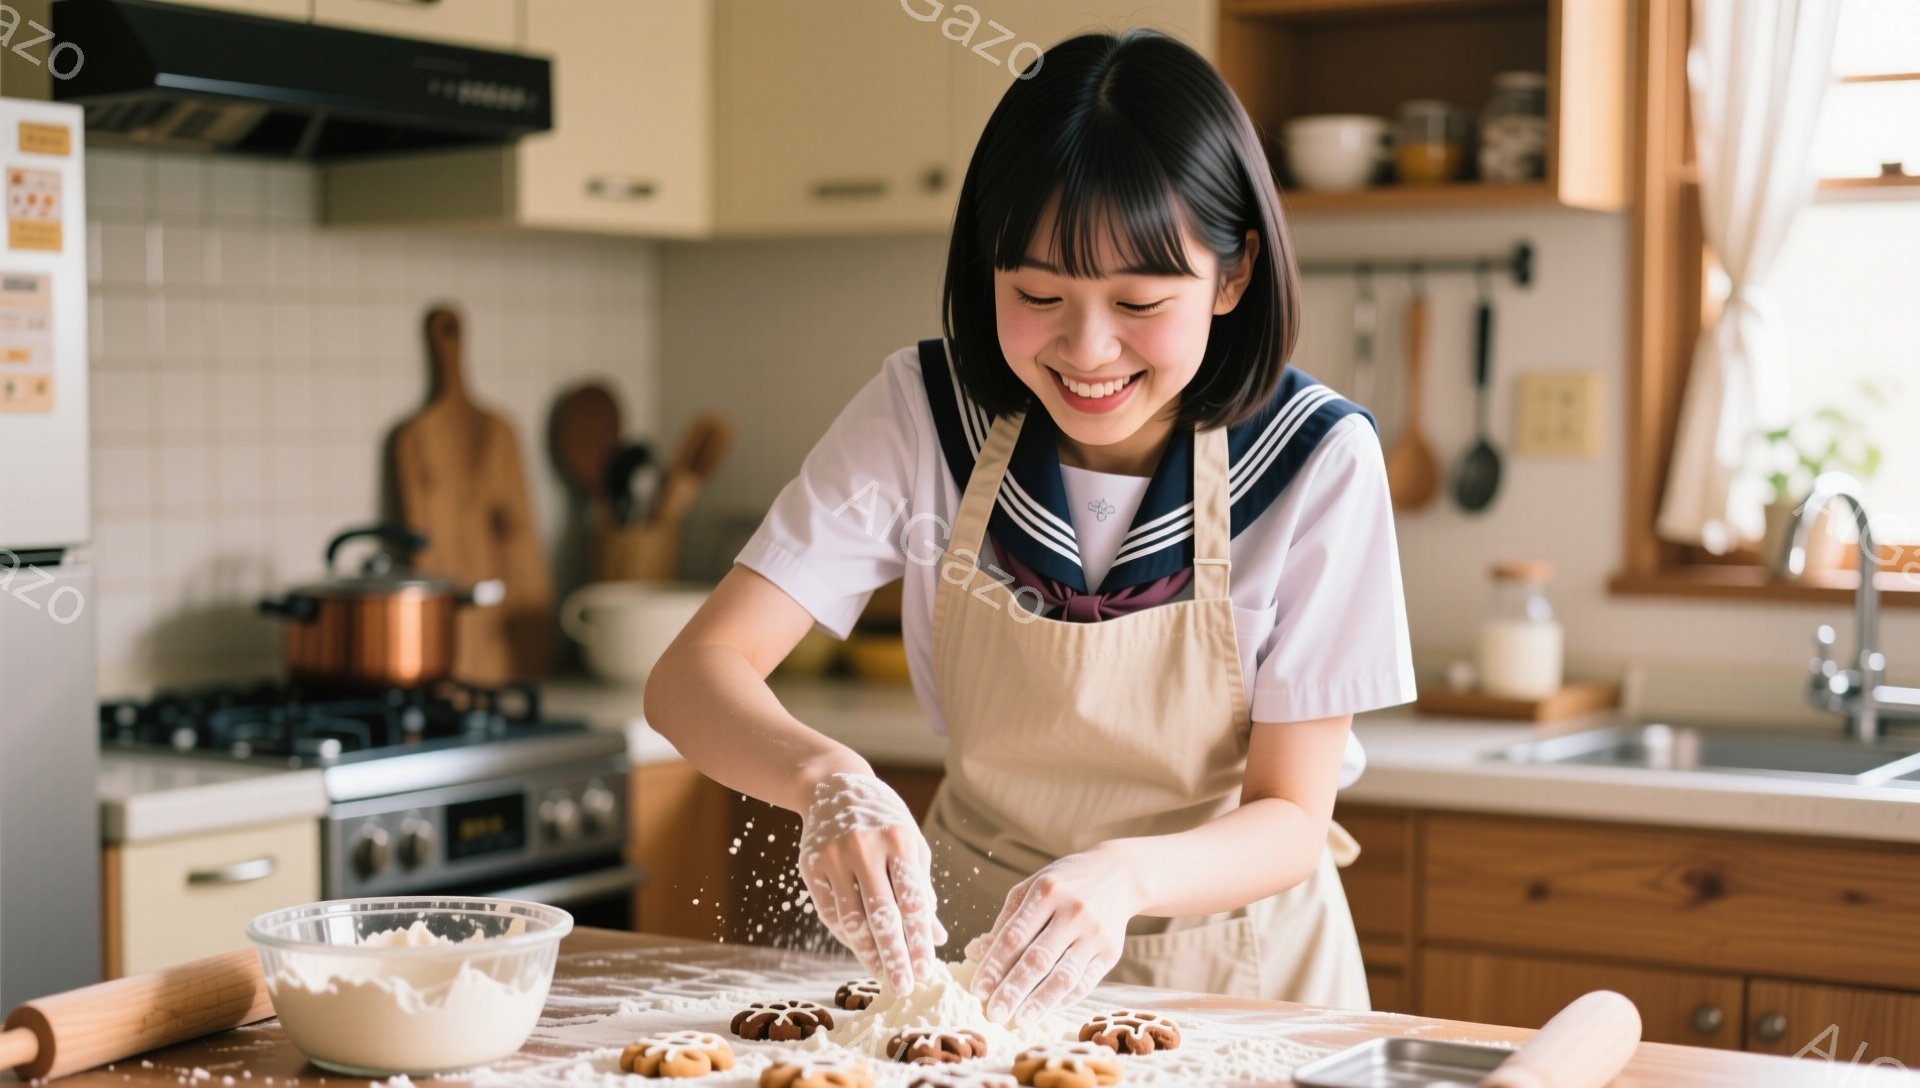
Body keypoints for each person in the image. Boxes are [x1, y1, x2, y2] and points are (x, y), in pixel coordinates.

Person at [644, 27, 1416, 1023]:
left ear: (1232, 276)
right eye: (1037, 294)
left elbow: (1293, 816)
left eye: (1141, 299)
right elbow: (692, 673)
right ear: (987, 268)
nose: (1087, 349)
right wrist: (824, 776)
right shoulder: (922, 412)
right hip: (973, 973)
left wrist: (1124, 877)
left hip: (1244, 981)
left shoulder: (1316, 460)